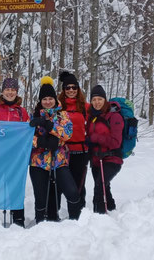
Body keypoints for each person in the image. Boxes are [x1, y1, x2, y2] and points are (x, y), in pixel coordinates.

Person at [29, 76, 82, 223]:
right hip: (38, 162)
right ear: (40, 101)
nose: (47, 101)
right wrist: (39, 142)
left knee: (72, 192)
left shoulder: (62, 115)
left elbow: (67, 133)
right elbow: (25, 138)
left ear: (55, 99)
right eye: (44, 99)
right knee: (40, 197)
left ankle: (74, 221)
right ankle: (40, 222)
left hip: (59, 161)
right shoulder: (33, 116)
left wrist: (49, 126)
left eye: (50, 98)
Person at [0, 77, 30, 227]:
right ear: (2, 91)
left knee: (14, 188)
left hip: (14, 158)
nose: (10, 92)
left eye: (13, 90)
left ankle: (18, 220)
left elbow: (26, 134)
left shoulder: (22, 112)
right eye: (7, 89)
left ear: (17, 92)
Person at [86, 84, 124, 214]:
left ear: (105, 100)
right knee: (104, 187)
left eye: (100, 99)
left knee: (99, 187)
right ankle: (112, 212)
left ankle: (99, 217)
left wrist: (95, 138)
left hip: (112, 158)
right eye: (94, 100)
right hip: (97, 159)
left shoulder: (115, 117)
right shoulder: (92, 117)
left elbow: (115, 142)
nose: (97, 102)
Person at [58, 71, 89, 209]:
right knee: (60, 184)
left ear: (78, 89)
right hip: (62, 152)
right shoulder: (58, 107)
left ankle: (79, 214)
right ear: (63, 90)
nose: (71, 90)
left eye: (74, 87)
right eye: (67, 88)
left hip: (81, 152)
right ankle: (54, 213)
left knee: (79, 185)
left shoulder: (85, 107)